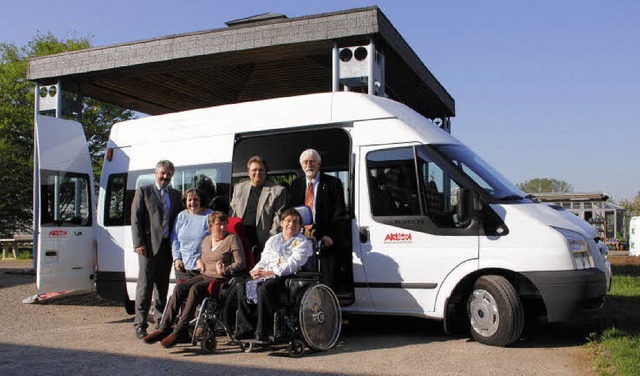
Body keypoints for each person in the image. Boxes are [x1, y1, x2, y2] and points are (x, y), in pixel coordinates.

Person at [143, 211, 246, 348]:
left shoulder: (232, 239)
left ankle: (180, 330)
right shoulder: (206, 240)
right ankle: (164, 328)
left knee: (195, 289)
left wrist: (226, 269)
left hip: (221, 278)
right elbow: (202, 257)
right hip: (204, 274)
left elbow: (241, 263)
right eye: (218, 225)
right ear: (210, 227)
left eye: (224, 224)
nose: (222, 227)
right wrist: (199, 261)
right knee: (179, 287)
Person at [234, 208, 313, 342]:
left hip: (287, 277)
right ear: (281, 223)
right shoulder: (273, 240)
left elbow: (293, 264)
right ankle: (245, 329)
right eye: (288, 221)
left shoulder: (303, 242)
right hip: (267, 274)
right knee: (243, 286)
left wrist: (272, 272)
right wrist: (256, 270)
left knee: (265, 288)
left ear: (299, 226)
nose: (291, 224)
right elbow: (264, 259)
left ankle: (262, 331)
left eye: (295, 222)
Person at [131, 160, 183, 339]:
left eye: (169, 174)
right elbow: (136, 219)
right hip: (148, 247)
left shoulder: (176, 195)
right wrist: (138, 243)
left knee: (161, 287)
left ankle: (160, 321)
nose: (165, 177)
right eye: (163, 173)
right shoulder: (144, 191)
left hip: (167, 248)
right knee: (144, 287)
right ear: (156, 173)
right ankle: (140, 324)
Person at [287, 148, 347, 289]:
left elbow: (339, 213)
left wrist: (330, 236)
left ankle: (326, 304)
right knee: (302, 276)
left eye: (312, 162)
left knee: (325, 277)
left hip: (324, 236)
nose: (309, 165)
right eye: (306, 162)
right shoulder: (296, 185)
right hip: (300, 235)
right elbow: (290, 211)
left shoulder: (333, 183)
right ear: (302, 165)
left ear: (319, 164)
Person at [229, 155, 287, 258]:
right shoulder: (239, 188)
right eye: (254, 170)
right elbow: (232, 213)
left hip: (262, 240)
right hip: (240, 238)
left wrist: (271, 241)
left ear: (265, 172)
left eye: (261, 170)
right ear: (248, 172)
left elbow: (278, 219)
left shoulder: (277, 191)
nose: (257, 173)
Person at [171, 188, 213, 281]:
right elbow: (175, 239)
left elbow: (215, 241)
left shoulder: (209, 216)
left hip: (201, 267)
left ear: (201, 200)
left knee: (195, 293)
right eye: (189, 200)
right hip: (182, 267)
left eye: (196, 200)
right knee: (181, 293)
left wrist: (204, 259)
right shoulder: (181, 216)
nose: (192, 202)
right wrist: (177, 259)